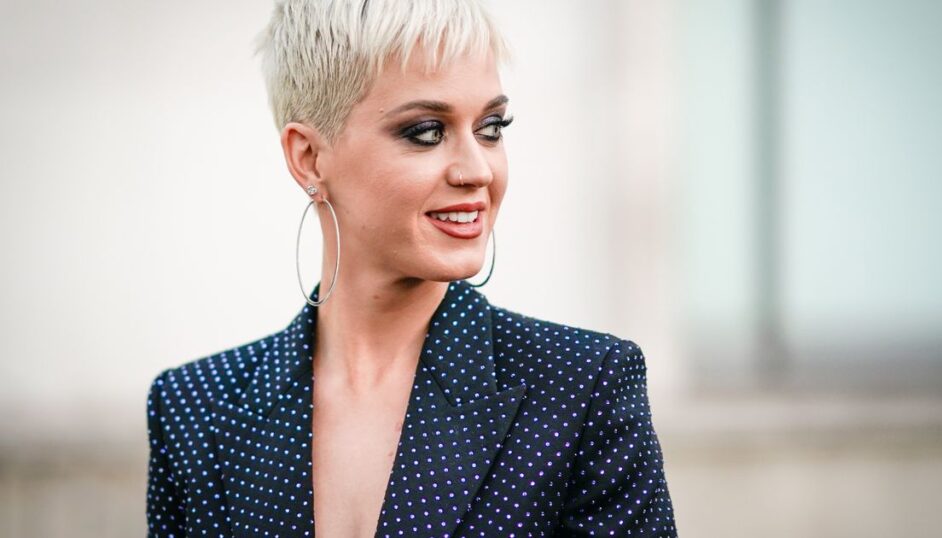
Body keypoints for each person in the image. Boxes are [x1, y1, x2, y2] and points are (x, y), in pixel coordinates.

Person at [145, 0, 678, 536]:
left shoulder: (580, 389)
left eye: (491, 127)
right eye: (426, 131)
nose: (477, 170)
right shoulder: (196, 408)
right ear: (308, 157)